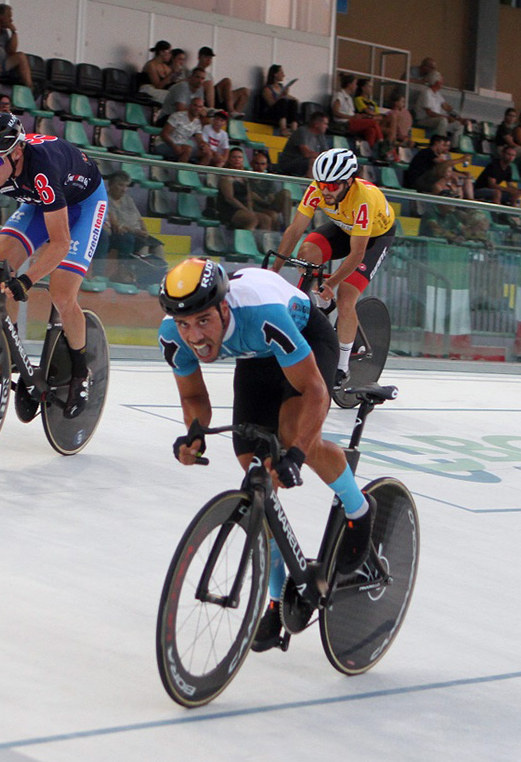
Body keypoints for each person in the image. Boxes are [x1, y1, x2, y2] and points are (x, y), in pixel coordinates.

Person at [157, 257, 374, 652]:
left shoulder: (261, 314)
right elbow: (192, 396)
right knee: (253, 467)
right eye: (185, 325)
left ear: (224, 308)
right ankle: (277, 598)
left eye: (204, 321)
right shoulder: (173, 335)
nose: (195, 336)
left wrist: (295, 454)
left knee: (295, 436)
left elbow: (315, 393)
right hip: (255, 356)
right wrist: (194, 434)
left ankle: (358, 510)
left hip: (303, 336)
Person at [0, 114, 107, 419]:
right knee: (2, 258)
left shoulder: (42, 169)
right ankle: (8, 354)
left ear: (16, 152)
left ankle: (81, 373)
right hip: (41, 202)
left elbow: (60, 243)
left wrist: (27, 280)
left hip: (84, 203)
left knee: (62, 294)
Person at [274, 147, 396, 388]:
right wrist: (273, 271)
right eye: (321, 184)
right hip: (344, 227)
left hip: (373, 237)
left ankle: (341, 367)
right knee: (307, 254)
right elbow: (295, 230)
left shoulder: (363, 199)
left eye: (332, 186)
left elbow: (357, 253)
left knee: (346, 295)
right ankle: (323, 300)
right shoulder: (318, 189)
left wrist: (331, 283)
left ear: (349, 181)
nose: (325, 191)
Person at [415, 71, 465, 147]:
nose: (442, 82)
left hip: (436, 120)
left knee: (459, 125)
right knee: (443, 120)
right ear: (435, 81)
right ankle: (441, 145)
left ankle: (454, 147)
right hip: (424, 120)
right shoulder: (426, 93)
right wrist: (447, 118)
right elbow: (429, 113)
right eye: (440, 80)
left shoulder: (437, 94)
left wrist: (458, 118)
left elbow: (447, 107)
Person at [196, 46, 249, 117]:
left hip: (215, 99)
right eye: (206, 57)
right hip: (204, 101)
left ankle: (234, 116)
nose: (208, 60)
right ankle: (216, 111)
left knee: (244, 91)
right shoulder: (192, 73)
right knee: (225, 81)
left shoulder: (209, 75)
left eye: (210, 58)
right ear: (199, 57)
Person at [274, 111, 330, 177]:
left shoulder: (321, 136)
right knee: (314, 162)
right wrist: (322, 156)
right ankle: (310, 186)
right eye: (325, 124)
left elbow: (327, 153)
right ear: (316, 124)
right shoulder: (302, 131)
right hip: (290, 163)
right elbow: (307, 154)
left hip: (304, 163)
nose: (327, 127)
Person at [159, 95, 211, 165]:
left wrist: (204, 145)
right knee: (187, 149)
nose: (197, 108)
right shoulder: (177, 116)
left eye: (200, 107)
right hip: (165, 144)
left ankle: (195, 174)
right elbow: (164, 134)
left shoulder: (197, 122)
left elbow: (199, 139)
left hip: (182, 146)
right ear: (190, 106)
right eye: (195, 105)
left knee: (208, 153)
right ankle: (180, 173)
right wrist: (174, 146)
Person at [260, 64, 300, 136]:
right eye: (281, 72)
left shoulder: (281, 87)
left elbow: (289, 97)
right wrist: (282, 96)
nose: (283, 75)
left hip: (282, 110)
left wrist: (294, 99)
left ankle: (294, 129)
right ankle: (283, 129)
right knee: (282, 102)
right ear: (275, 74)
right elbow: (271, 103)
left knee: (293, 103)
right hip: (272, 113)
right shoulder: (267, 89)